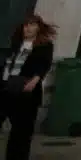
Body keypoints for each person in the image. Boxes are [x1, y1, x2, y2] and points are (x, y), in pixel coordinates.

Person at [2, 14, 56, 160]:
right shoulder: (16, 43)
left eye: (32, 25)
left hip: (26, 92)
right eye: (26, 25)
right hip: (7, 88)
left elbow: (45, 64)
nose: (28, 28)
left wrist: (35, 80)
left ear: (38, 28)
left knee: (21, 132)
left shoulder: (44, 45)